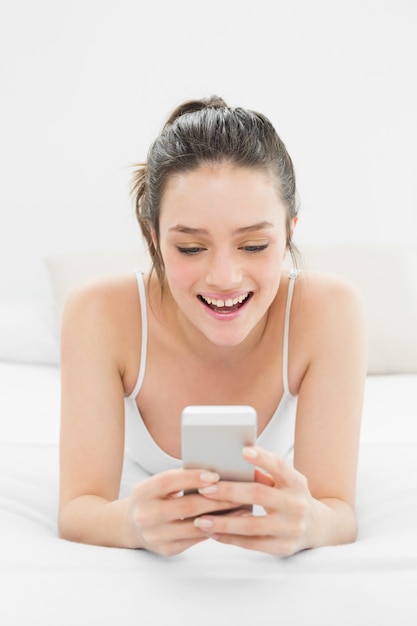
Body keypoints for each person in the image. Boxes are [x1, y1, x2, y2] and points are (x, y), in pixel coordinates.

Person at [58, 96, 367, 557]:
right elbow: (78, 508)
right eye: (189, 248)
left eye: (254, 245)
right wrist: (130, 524)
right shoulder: (98, 313)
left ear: (290, 233)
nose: (224, 277)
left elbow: (336, 510)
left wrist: (310, 526)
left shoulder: (329, 310)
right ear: (153, 238)